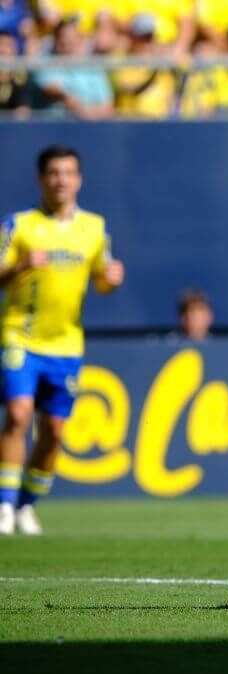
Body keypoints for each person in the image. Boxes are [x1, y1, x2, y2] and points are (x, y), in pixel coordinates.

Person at [0, 146, 125, 535]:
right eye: (53, 173)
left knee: (54, 431)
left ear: (79, 179)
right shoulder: (18, 225)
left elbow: (101, 281)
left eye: (68, 172)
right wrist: (21, 265)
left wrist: (110, 280)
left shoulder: (94, 227)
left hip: (66, 345)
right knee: (19, 415)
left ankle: (25, 506)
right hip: (20, 335)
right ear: (41, 180)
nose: (61, 180)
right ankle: (3, 506)